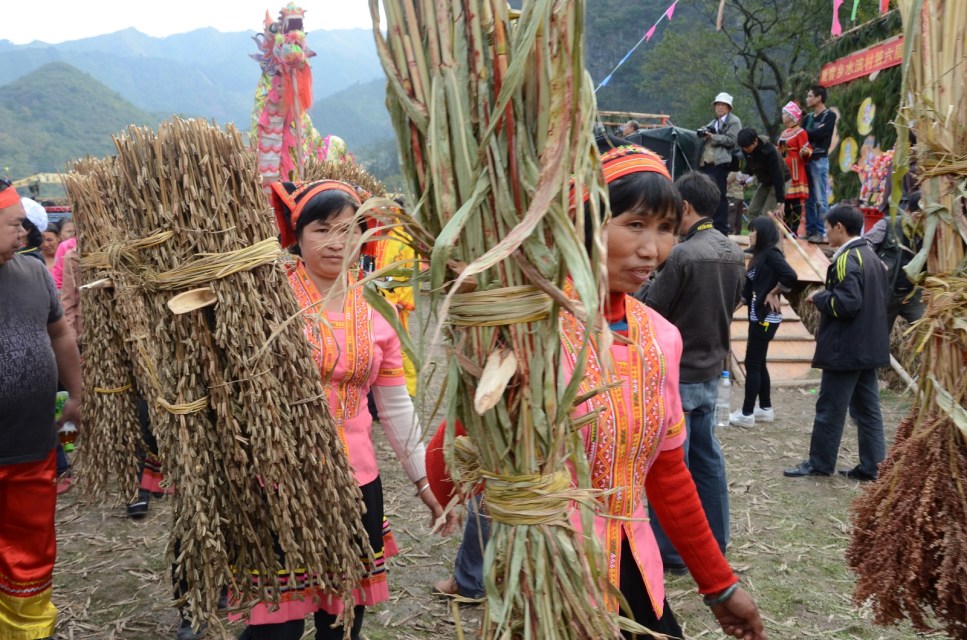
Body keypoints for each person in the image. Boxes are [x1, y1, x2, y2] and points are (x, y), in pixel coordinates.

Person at [428, 147, 766, 640]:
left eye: (667, 229)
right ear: (582, 223)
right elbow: (448, 472)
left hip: (635, 573)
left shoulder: (660, 338)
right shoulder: (532, 333)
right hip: (548, 586)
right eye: (635, 224)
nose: (653, 248)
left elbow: (668, 474)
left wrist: (718, 586)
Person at [233, 179, 458, 640]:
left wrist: (424, 482)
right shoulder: (262, 302)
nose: (337, 243)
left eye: (350, 229)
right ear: (297, 234)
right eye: (322, 229)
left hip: (358, 484)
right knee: (276, 624)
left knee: (342, 622)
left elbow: (395, 407)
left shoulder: (376, 310)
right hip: (280, 482)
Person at [635, 170, 745, 574]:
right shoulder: (733, 251)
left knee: (671, 466)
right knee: (708, 457)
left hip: (676, 373)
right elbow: (735, 301)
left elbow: (652, 308)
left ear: (684, 207)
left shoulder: (683, 254)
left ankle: (673, 553)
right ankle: (717, 541)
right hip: (712, 368)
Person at [0, 180, 83, 640]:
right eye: (16, 225)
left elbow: (60, 336)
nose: (27, 234)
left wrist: (76, 392)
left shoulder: (32, 274)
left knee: (31, 542)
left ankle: (28, 630)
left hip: (32, 442)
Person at [784, 204, 889, 481]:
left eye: (828, 228)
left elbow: (847, 304)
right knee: (868, 410)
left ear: (840, 228)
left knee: (830, 408)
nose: (827, 233)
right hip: (869, 346)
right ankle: (874, 466)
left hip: (846, 349)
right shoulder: (872, 257)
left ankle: (820, 463)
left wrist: (820, 298)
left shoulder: (845, 260)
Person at [729, 217, 797, 428]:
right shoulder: (757, 257)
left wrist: (774, 292)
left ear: (764, 234)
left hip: (767, 317)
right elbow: (746, 295)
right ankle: (765, 408)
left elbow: (790, 275)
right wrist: (728, 314)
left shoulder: (771, 255)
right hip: (757, 315)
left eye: (753, 231)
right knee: (758, 362)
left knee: (752, 363)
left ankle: (747, 413)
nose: (749, 235)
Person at [864, 191, 925, 332]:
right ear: (908, 211)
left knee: (929, 329)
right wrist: (875, 261)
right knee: (877, 337)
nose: (923, 222)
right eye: (918, 217)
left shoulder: (933, 232)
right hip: (886, 293)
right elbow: (864, 243)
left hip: (912, 294)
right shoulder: (888, 224)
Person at [698, 92, 742, 236]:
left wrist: (713, 137)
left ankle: (721, 228)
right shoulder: (713, 122)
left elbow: (732, 141)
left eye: (723, 105)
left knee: (719, 195)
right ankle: (708, 224)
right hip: (707, 162)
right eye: (717, 104)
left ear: (729, 107)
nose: (720, 107)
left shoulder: (734, 121)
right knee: (707, 194)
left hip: (720, 163)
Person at [803, 85, 837, 243]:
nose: (807, 99)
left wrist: (806, 134)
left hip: (819, 160)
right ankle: (810, 230)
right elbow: (801, 134)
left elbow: (819, 133)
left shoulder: (829, 116)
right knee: (808, 198)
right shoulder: (808, 117)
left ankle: (822, 232)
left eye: (810, 96)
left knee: (820, 199)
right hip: (806, 160)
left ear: (818, 98)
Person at [776, 101, 811, 236]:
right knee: (786, 199)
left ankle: (794, 230)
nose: (783, 116)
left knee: (795, 200)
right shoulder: (784, 132)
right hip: (784, 166)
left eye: (785, 113)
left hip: (795, 167)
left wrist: (805, 152)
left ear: (792, 116)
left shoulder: (801, 132)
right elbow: (780, 149)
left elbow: (807, 148)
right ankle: (786, 229)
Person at [737, 128, 787, 221]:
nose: (746, 150)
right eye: (743, 147)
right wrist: (743, 178)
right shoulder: (746, 149)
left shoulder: (769, 151)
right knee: (752, 211)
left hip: (781, 180)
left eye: (748, 147)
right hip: (765, 181)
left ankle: (768, 234)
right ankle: (756, 233)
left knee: (767, 214)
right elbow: (750, 167)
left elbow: (778, 176)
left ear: (755, 140)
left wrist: (781, 201)